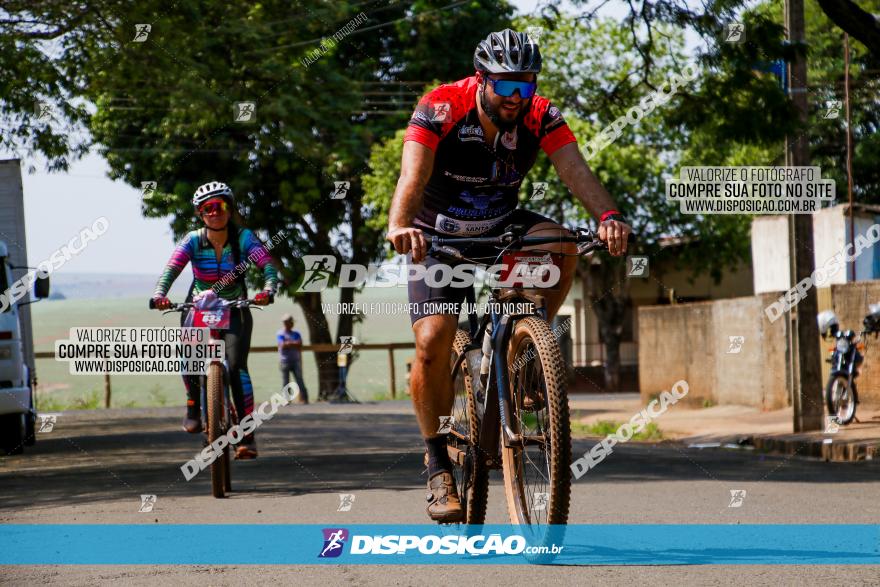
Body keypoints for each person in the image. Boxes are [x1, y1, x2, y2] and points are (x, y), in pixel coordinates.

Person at [385, 29, 632, 521]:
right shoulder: (440, 107)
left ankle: (525, 344)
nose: (518, 98)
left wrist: (608, 217)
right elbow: (412, 176)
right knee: (433, 340)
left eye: (527, 85)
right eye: (507, 87)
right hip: (439, 236)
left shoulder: (540, 113)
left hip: (501, 228)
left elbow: (574, 170)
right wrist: (399, 225)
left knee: (561, 243)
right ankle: (436, 465)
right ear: (482, 80)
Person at [152, 181, 278, 459]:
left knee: (236, 368)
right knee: (188, 356)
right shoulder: (193, 240)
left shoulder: (244, 238)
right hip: (198, 304)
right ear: (200, 214)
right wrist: (160, 294)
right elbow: (171, 269)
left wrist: (269, 289)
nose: (214, 212)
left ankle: (247, 435)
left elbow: (267, 265)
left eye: (219, 206)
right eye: (207, 208)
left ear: (229, 208)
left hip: (235, 307)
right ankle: (192, 407)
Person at [277, 314, 309, 404]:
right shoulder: (280, 333)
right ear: (286, 323)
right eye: (290, 322)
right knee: (285, 381)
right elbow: (282, 345)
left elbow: (300, 344)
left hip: (296, 360)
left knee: (300, 380)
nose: (292, 324)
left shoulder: (296, 333)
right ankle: (286, 400)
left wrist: (288, 343)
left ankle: (304, 399)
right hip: (285, 361)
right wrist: (294, 344)